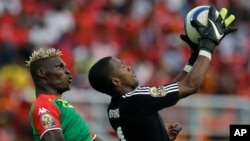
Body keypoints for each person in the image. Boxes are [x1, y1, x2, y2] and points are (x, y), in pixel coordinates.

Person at [88, 6, 236, 141]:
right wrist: (208, 43)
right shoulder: (135, 99)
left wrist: (193, 58)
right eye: (122, 67)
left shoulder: (115, 107)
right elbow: (190, 85)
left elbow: (174, 89)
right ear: (116, 81)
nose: (128, 67)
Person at [26, 48, 103, 141]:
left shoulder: (62, 105)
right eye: (59, 67)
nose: (67, 71)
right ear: (41, 73)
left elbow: (90, 137)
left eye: (65, 67)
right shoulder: (43, 105)